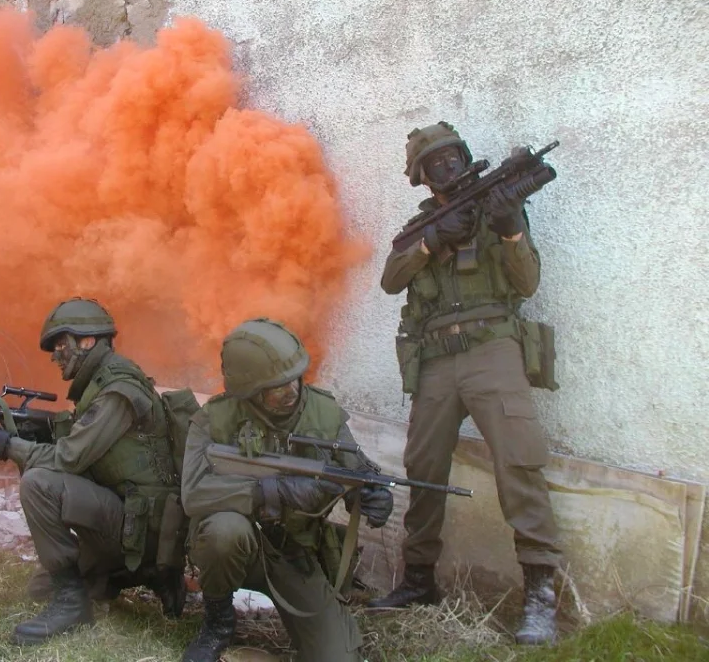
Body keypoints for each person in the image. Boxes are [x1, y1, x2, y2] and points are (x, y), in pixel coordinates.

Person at [373, 122, 562, 645]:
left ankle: (541, 596)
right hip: (436, 359)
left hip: (493, 351)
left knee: (518, 462)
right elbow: (391, 279)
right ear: (422, 176)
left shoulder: (497, 205)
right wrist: (432, 241)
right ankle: (417, 582)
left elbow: (526, 284)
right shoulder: (422, 227)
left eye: (453, 157)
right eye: (436, 163)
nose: (448, 167)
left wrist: (510, 230)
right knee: (423, 465)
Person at [0, 297, 187, 645]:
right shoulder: (100, 385)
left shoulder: (118, 389)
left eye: (61, 345)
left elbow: (69, 459)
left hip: (141, 526)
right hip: (131, 517)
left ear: (88, 341)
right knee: (39, 588)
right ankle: (151, 573)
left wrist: (3, 444)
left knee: (39, 484)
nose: (55, 355)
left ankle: (73, 604)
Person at [180, 318, 394, 662]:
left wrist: (370, 496)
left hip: (296, 552)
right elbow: (193, 494)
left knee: (337, 657)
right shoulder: (214, 421)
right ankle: (218, 621)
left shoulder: (323, 414)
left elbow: (355, 471)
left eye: (296, 379)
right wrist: (270, 492)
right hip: (239, 546)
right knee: (224, 531)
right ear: (249, 390)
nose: (291, 392)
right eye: (277, 387)